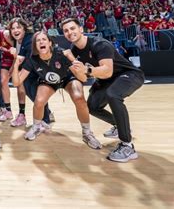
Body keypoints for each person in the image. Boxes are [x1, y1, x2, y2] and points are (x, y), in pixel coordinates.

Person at [61, 18, 145, 162]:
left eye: (73, 28)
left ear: (81, 29)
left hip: (130, 74)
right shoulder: (74, 50)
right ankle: (119, 126)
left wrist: (86, 69)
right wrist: (73, 63)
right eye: (66, 31)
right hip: (107, 80)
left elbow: (107, 71)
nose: (70, 32)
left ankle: (127, 145)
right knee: (92, 107)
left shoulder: (99, 44)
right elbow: (83, 78)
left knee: (113, 95)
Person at [11, 31, 102, 149]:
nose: (41, 42)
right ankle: (37, 126)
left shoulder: (61, 53)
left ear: (50, 43)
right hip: (49, 81)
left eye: (44, 39)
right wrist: (15, 64)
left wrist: (73, 59)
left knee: (79, 98)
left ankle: (87, 133)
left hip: (67, 78)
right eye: (38, 41)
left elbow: (82, 78)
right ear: (35, 45)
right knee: (39, 101)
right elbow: (16, 82)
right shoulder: (32, 59)